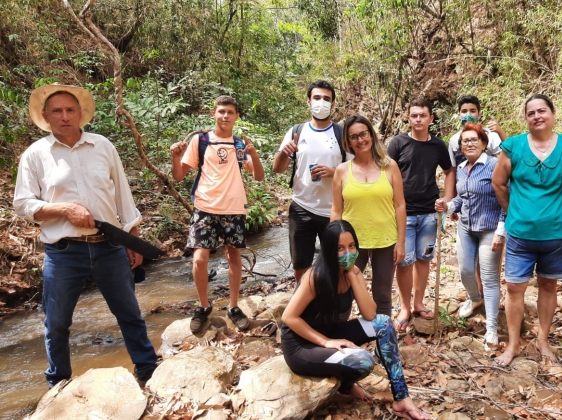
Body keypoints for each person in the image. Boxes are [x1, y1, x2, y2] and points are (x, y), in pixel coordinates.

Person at [13, 84, 158, 387]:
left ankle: (148, 370)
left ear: (80, 114)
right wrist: (63, 209)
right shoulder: (36, 155)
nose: (64, 116)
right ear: (45, 116)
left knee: (129, 313)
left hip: (109, 246)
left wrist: (132, 236)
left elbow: (122, 194)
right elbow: (23, 205)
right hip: (64, 251)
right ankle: (59, 383)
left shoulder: (102, 146)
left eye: (70, 110)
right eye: (57, 111)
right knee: (57, 323)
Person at [281, 220, 430, 420]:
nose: (347, 253)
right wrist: (326, 342)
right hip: (301, 346)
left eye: (351, 246)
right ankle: (348, 386)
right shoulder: (315, 277)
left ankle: (401, 397)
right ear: (328, 251)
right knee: (363, 360)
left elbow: (370, 314)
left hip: (332, 332)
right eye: (340, 248)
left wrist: (352, 276)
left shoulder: (354, 272)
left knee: (384, 323)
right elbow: (288, 317)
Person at [492, 94, 562, 365]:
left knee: (549, 286)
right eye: (531, 113)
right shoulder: (512, 147)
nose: (537, 116)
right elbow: (499, 183)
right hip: (520, 233)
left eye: (542, 111)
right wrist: (512, 209)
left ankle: (543, 340)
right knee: (514, 288)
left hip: (556, 235)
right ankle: (513, 344)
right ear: (526, 118)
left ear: (553, 114)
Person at [170, 95, 265, 333]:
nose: (225, 116)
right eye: (221, 111)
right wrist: (174, 157)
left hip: (234, 208)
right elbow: (179, 175)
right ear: (213, 113)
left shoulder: (240, 144)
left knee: (234, 258)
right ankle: (203, 306)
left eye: (230, 112)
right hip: (205, 207)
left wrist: (254, 155)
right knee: (200, 259)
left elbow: (259, 176)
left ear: (236, 116)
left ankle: (233, 306)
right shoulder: (201, 141)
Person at [435, 123, 505, 349]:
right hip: (466, 227)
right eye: (465, 141)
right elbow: (461, 199)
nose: (470, 143)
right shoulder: (462, 169)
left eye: (475, 139)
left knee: (489, 277)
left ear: (484, 143)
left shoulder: (496, 166)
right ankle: (476, 299)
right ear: (460, 146)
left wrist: (502, 230)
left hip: (490, 228)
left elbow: (507, 198)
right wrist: (447, 206)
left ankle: (492, 328)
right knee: (465, 271)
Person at [273, 80, 351, 283]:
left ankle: (333, 309)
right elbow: (278, 168)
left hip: (333, 210)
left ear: (333, 104)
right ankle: (304, 308)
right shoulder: (296, 131)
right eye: (317, 98)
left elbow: (355, 171)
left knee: (335, 264)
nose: (321, 102)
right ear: (308, 101)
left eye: (326, 99)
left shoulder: (342, 134)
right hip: (301, 208)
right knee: (301, 264)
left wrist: (334, 172)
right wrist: (285, 152)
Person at [387, 98, 455, 331]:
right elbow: (386, 173)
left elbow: (449, 171)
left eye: (422, 115)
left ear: (430, 119)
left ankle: (418, 303)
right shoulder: (398, 143)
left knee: (424, 259)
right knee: (404, 261)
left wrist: (446, 198)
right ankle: (405, 307)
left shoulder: (437, 145)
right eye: (414, 115)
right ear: (409, 118)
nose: (418, 119)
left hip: (429, 213)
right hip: (403, 214)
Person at [331, 115, 406, 316]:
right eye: (353, 137)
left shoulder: (389, 166)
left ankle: (384, 341)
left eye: (363, 134)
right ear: (347, 142)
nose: (360, 140)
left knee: (382, 293)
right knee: (344, 289)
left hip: (386, 239)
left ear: (371, 136)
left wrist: (401, 242)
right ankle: (340, 337)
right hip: (351, 243)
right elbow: (336, 210)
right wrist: (333, 242)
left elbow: (399, 205)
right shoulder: (341, 171)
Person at [447, 95, 507, 167]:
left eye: (472, 111)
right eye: (464, 111)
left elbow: (510, 153)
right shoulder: (454, 140)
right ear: (459, 115)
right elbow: (452, 168)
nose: (468, 115)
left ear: (479, 115)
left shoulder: (490, 136)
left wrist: (500, 132)